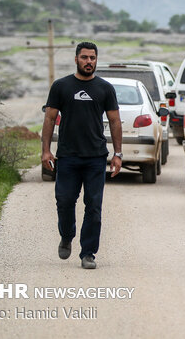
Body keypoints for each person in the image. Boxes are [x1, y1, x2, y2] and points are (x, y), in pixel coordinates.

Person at [41, 41, 123, 270]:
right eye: (85, 57)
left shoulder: (105, 88)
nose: (89, 62)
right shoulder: (61, 86)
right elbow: (49, 119)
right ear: (76, 59)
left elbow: (115, 121)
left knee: (94, 206)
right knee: (65, 201)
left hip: (96, 157)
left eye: (92, 58)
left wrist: (118, 153)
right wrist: (46, 150)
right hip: (67, 156)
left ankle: (88, 253)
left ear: (96, 60)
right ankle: (66, 235)